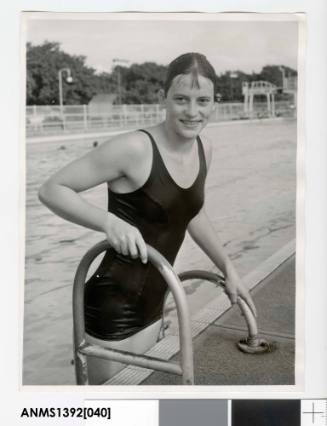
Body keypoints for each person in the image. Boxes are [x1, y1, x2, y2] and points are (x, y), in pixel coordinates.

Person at [39, 52, 256, 385]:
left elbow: (190, 212)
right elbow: (52, 189)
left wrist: (228, 267)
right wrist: (109, 222)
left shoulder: (204, 148)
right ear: (162, 98)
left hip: (158, 302)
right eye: (181, 99)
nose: (193, 111)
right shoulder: (134, 148)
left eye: (203, 101)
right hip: (111, 309)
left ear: (215, 103)